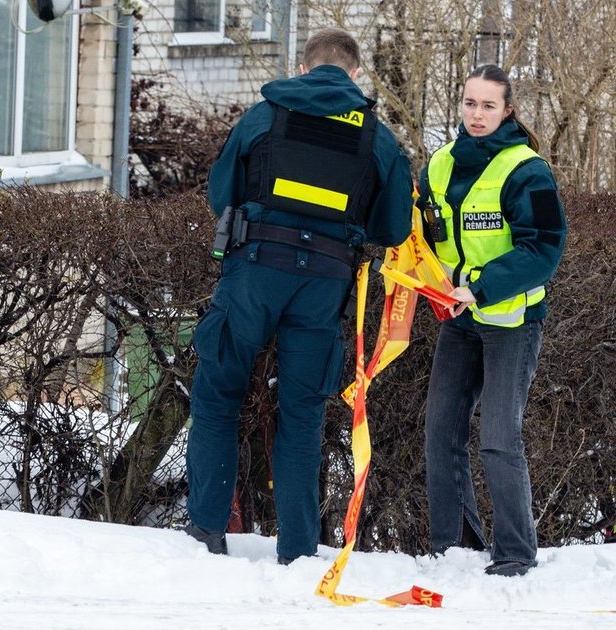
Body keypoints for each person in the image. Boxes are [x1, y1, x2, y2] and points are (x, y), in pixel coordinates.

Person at [184, 28, 413, 565]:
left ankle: (208, 531)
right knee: (303, 414)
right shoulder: (376, 137)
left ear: (304, 68)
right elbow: (394, 226)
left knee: (218, 395)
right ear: (355, 75)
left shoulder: (267, 114)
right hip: (324, 284)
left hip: (254, 273)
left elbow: (222, 192)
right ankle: (297, 549)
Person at [417, 64, 567, 577]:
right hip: (457, 319)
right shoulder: (436, 166)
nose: (476, 115)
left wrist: (479, 287)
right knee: (441, 431)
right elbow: (421, 233)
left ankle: (515, 555)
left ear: (507, 110)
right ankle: (453, 547)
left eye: (488, 105)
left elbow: (544, 248)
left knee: (499, 437)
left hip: (512, 321)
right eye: (469, 103)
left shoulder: (527, 170)